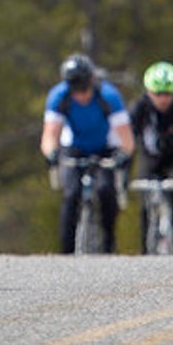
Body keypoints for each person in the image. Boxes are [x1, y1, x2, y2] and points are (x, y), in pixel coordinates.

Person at [40, 53, 135, 253]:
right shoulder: (59, 96)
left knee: (105, 190)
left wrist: (123, 155)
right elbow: (50, 133)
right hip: (74, 147)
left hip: (105, 146)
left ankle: (109, 243)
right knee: (71, 193)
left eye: (84, 88)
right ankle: (66, 251)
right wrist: (51, 153)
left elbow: (126, 137)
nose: (81, 95)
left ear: (92, 80)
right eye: (75, 89)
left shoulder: (109, 95)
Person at [130, 60, 173, 254]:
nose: (163, 99)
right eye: (157, 93)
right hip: (149, 161)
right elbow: (128, 141)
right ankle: (145, 252)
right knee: (145, 205)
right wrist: (124, 170)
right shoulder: (138, 108)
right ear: (148, 91)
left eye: (168, 93)